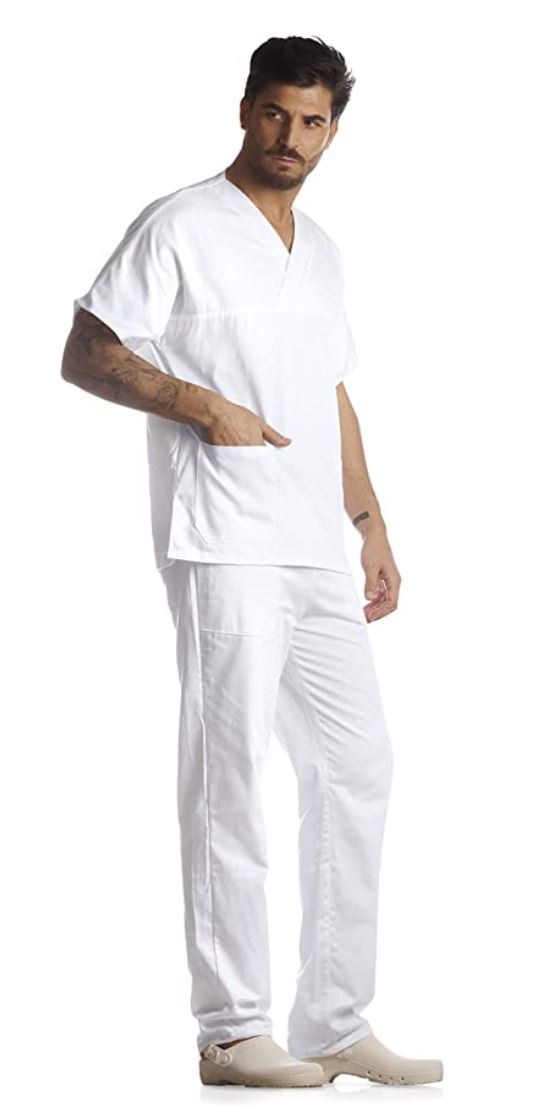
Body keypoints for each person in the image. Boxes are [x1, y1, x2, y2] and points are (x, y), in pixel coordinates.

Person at [61, 34, 443, 1089]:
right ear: (245, 110)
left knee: (355, 763)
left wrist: (370, 519)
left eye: (313, 121)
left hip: (315, 544)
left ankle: (332, 1019)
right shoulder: (180, 224)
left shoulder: (321, 250)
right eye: (277, 113)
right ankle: (232, 1029)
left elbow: (329, 390)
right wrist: (201, 404)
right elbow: (87, 350)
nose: (291, 137)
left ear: (333, 131)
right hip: (223, 535)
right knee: (228, 771)